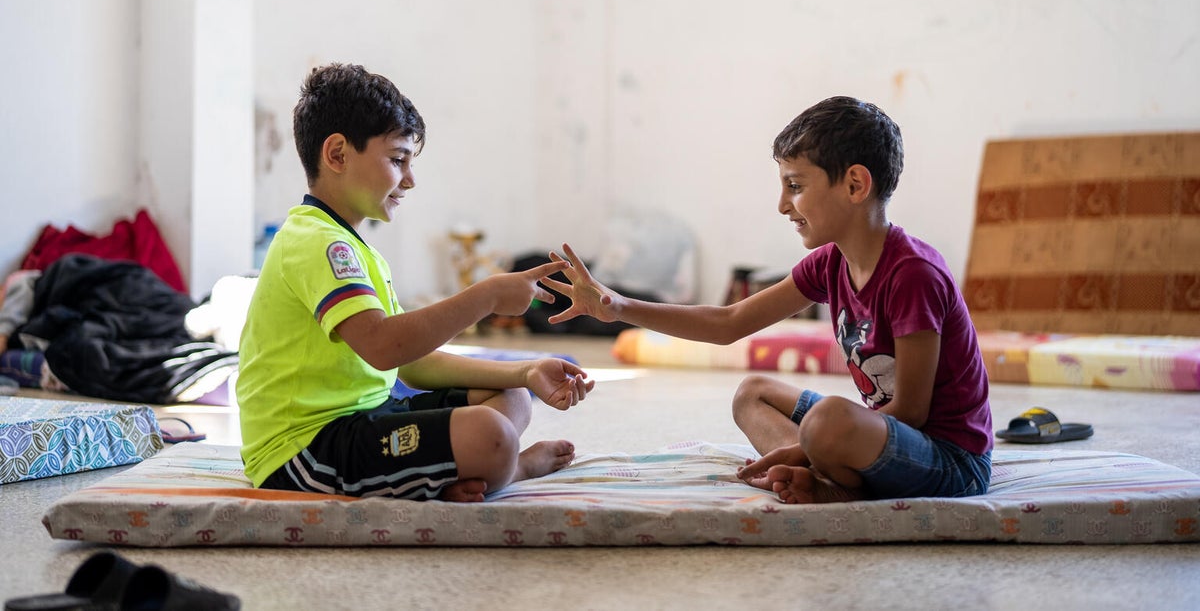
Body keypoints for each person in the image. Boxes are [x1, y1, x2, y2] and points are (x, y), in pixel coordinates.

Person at [543, 96, 992, 504]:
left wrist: (804, 446)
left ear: (855, 185)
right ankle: (825, 474)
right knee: (752, 394)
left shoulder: (914, 273)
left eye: (795, 186)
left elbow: (912, 411)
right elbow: (728, 322)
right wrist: (617, 307)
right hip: (881, 441)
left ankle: (832, 486)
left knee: (830, 420)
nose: (782, 205)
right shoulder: (830, 263)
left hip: (950, 463)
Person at [237, 63, 594, 503]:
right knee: (491, 435)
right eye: (397, 159)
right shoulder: (318, 243)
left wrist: (525, 370)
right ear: (337, 155)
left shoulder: (353, 247)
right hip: (304, 450)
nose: (410, 179)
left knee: (513, 397)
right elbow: (385, 347)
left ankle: (454, 475)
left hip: (365, 416)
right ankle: (512, 467)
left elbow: (409, 363)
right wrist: (488, 295)